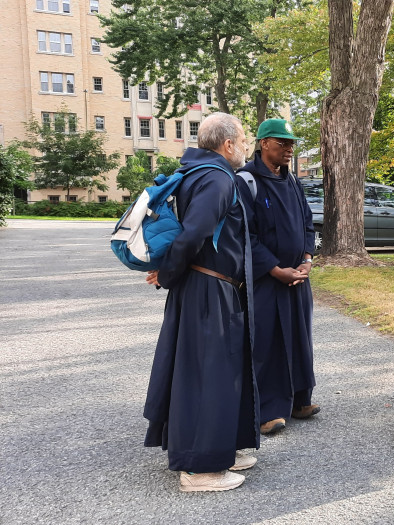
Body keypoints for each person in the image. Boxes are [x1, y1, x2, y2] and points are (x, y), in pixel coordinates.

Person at [142, 112, 259, 492]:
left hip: (205, 286)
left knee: (213, 371)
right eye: (242, 140)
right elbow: (194, 233)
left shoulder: (198, 172)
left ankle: (219, 446)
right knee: (207, 375)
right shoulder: (217, 177)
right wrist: (169, 274)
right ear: (227, 144)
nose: (245, 147)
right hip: (208, 291)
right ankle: (200, 468)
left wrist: (171, 273)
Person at [235, 119, 319, 436]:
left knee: (299, 338)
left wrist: (307, 259)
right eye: (282, 142)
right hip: (266, 279)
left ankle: (300, 400)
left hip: (298, 276)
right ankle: (267, 411)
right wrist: (274, 268)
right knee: (267, 343)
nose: (289, 148)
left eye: (291, 143)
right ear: (264, 143)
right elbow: (245, 234)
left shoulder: (294, 182)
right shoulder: (246, 181)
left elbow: (308, 225)